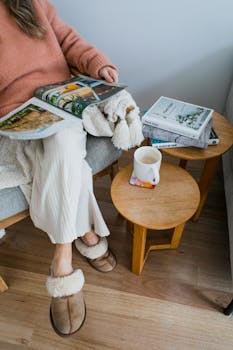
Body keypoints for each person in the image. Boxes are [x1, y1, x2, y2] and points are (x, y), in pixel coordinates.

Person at [0, 0, 119, 336]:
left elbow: (68, 40)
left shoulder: (31, 2)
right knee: (66, 160)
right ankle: (87, 235)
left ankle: (62, 262)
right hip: (15, 117)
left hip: (60, 99)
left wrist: (98, 64)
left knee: (64, 146)